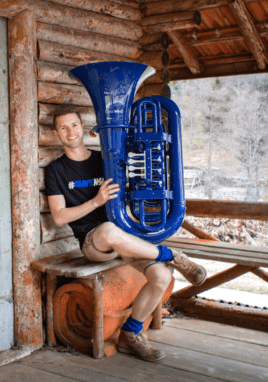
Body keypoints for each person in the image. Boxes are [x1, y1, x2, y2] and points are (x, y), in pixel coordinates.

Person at [45, 107, 208, 362]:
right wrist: (96, 201)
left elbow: (124, 196)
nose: (70, 132)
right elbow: (59, 216)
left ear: (83, 127)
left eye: (74, 125)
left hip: (123, 239)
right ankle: (173, 254)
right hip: (93, 243)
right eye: (63, 128)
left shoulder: (103, 160)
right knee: (108, 231)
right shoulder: (56, 170)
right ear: (57, 134)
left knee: (161, 275)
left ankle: (129, 335)